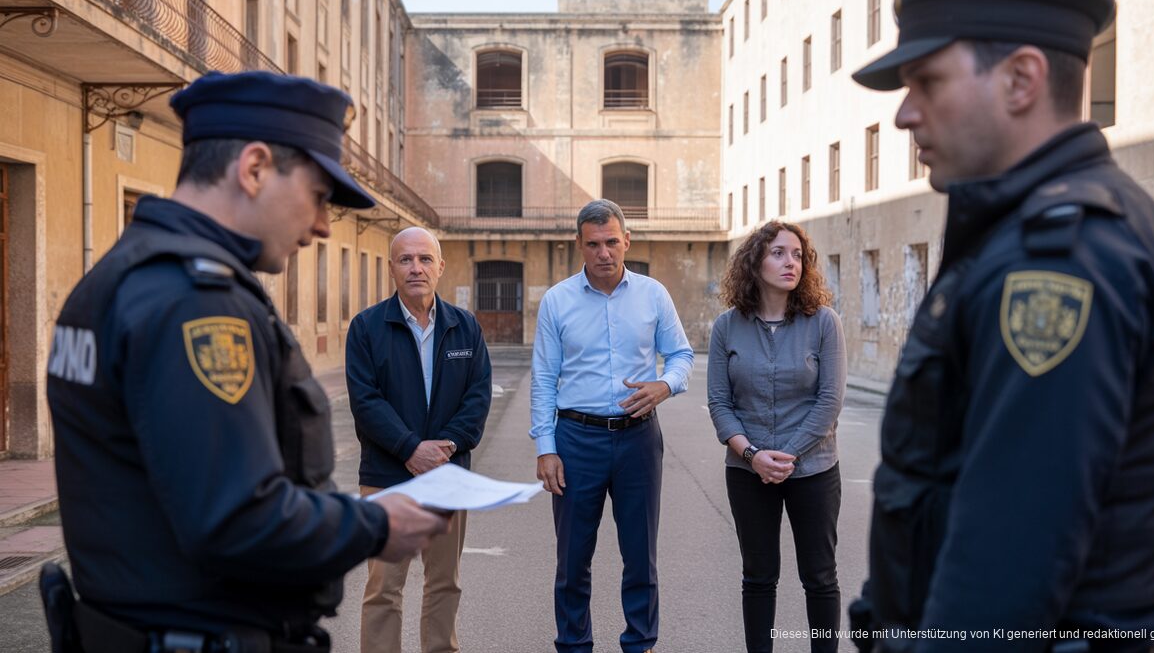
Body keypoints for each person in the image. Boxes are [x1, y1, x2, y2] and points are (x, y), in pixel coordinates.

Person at [848, 0, 1154, 650]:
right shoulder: (1117, 217)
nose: (904, 112)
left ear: (1021, 79)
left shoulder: (1055, 262)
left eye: (928, 81)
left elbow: (1000, 579)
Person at [44, 71, 448, 653]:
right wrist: (378, 524)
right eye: (316, 196)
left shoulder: (121, 274)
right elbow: (237, 517)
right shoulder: (196, 300)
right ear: (254, 168)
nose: (321, 225)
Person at [531, 199, 694, 653]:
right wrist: (546, 448)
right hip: (575, 440)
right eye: (593, 244)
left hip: (638, 438)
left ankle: (640, 644)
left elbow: (681, 355)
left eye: (611, 242)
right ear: (579, 245)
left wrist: (665, 385)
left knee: (641, 556)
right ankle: (573, 645)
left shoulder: (653, 295)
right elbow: (543, 378)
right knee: (572, 559)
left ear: (627, 241)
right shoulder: (557, 301)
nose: (604, 253)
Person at [347, 226, 492, 653]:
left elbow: (478, 396)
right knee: (384, 587)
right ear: (391, 268)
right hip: (387, 476)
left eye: (425, 259)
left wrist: (445, 447)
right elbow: (365, 401)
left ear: (440, 267)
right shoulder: (367, 327)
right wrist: (409, 448)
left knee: (445, 583)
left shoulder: (465, 327)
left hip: (448, 474)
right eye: (406, 260)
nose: (416, 268)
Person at [708, 220, 846, 653]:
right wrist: (752, 455)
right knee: (758, 577)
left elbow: (829, 401)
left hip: (814, 469)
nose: (791, 263)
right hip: (747, 471)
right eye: (779, 253)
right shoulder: (727, 327)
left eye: (798, 255)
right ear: (755, 263)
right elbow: (720, 403)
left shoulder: (824, 323)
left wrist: (784, 456)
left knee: (820, 576)